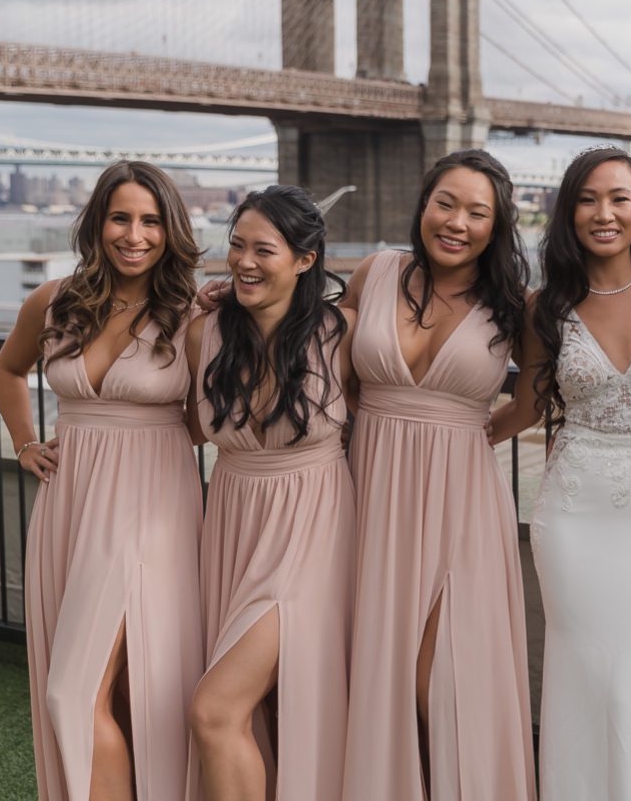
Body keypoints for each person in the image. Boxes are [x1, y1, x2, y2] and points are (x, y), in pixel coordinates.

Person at [492, 145, 631, 801]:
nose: (603, 213)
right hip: (574, 510)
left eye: (619, 198)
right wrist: (448, 440)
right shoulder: (541, 306)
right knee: (583, 669)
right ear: (567, 214)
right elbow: (527, 406)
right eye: (587, 199)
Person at [0, 160, 204, 801]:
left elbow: (207, 420)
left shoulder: (194, 313)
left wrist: (139, 442)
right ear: (97, 223)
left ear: (170, 231)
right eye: (121, 217)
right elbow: (8, 370)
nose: (133, 234)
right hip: (70, 504)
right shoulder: (54, 300)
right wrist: (24, 443)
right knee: (114, 689)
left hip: (151, 511)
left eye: (150, 220)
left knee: (76, 691)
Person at [340, 150, 536, 801]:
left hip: (462, 502)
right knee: (378, 672)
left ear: (496, 226)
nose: (456, 222)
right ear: (422, 205)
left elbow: (532, 401)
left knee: (443, 681)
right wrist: (227, 296)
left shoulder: (515, 304)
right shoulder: (375, 272)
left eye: (477, 212)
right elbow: (315, 358)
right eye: (445, 203)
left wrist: (473, 434)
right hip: (368, 493)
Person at [185, 185, 357, 801]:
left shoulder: (344, 335)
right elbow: (177, 427)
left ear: (305, 260)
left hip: (312, 530)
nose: (244, 262)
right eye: (236, 246)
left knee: (215, 709)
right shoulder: (204, 332)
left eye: (264, 250)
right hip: (233, 521)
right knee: (272, 712)